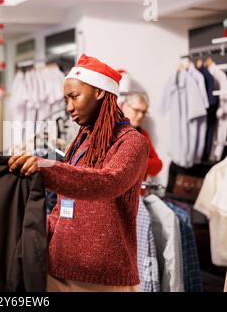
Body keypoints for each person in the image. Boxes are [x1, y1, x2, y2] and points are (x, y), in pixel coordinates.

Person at [8, 54, 149, 292]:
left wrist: (46, 168)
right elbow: (66, 203)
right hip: (58, 268)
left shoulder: (132, 143)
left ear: (100, 93)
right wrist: (38, 228)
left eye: (74, 97)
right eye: (66, 99)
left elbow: (107, 183)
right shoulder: (82, 139)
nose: (69, 107)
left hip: (103, 278)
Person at [120, 93, 162, 177]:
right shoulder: (110, 129)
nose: (140, 116)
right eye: (136, 110)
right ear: (124, 106)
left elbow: (157, 165)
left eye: (144, 112)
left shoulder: (142, 134)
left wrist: (137, 161)